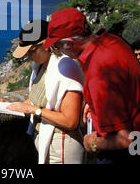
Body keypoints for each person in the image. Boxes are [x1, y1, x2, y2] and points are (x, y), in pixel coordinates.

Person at [44, 8, 140, 164]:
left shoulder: (99, 74)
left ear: (69, 44)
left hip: (129, 150)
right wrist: (93, 102)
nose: (57, 51)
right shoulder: (112, 40)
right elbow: (123, 85)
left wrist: (91, 143)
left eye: (56, 47)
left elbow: (126, 139)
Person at [6, 20, 85, 164]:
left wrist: (34, 110)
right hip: (47, 142)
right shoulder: (41, 66)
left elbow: (71, 120)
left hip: (62, 147)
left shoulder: (66, 68)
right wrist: (14, 106)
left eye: (31, 51)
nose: (28, 56)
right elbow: (38, 99)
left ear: (45, 44)